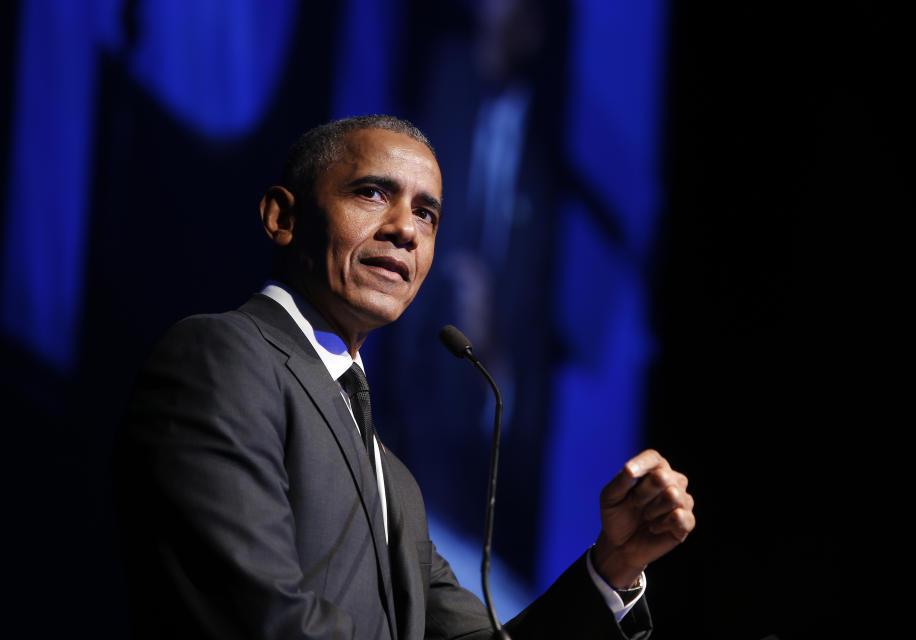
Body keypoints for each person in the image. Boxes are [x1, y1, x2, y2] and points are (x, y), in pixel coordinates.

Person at [116, 115, 695, 640]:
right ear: (283, 217)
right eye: (372, 193)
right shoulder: (222, 357)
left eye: (427, 213)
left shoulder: (396, 485)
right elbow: (264, 619)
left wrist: (612, 568)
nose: (406, 230)